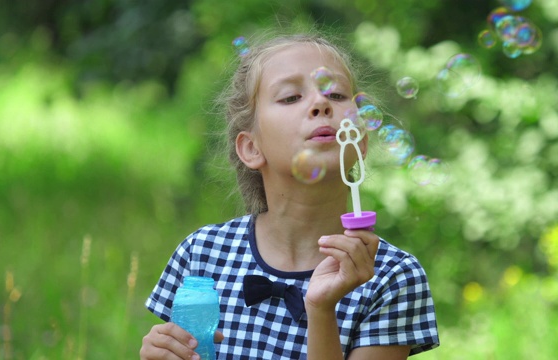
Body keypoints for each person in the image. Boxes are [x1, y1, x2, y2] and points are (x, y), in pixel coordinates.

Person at [140, 30, 439, 360]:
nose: (321, 103)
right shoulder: (202, 254)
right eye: (291, 97)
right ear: (252, 148)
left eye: (337, 95)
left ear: (361, 142)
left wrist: (321, 310)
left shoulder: (390, 277)